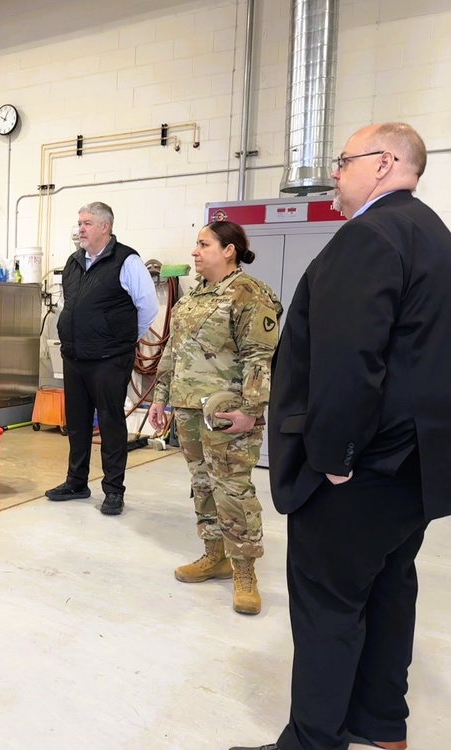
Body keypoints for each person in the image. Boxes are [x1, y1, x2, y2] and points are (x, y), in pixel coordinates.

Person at [231, 123, 451, 750]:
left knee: (327, 600)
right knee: (389, 587)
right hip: (418, 467)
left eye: (343, 162)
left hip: (366, 465)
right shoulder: (434, 236)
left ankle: (314, 741)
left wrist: (334, 457)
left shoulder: (368, 236)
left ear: (385, 163)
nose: (334, 176)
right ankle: (381, 726)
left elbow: (350, 362)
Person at [149, 222, 280, 615]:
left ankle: (244, 572)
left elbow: (261, 357)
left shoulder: (249, 295)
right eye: (196, 244)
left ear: (229, 250)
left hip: (228, 412)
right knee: (203, 485)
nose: (194, 251)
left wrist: (251, 411)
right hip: (189, 408)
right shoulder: (192, 299)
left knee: (233, 490)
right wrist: (161, 399)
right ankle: (214, 555)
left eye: (203, 244)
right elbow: (172, 350)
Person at [45, 201, 158, 515]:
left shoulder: (127, 261)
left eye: (87, 223)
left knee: (110, 423)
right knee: (78, 424)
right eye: (79, 223)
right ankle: (76, 482)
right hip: (75, 356)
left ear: (105, 227)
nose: (81, 229)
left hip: (110, 358)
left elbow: (148, 308)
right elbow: (72, 304)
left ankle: (113, 491)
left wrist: (121, 339)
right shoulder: (73, 261)